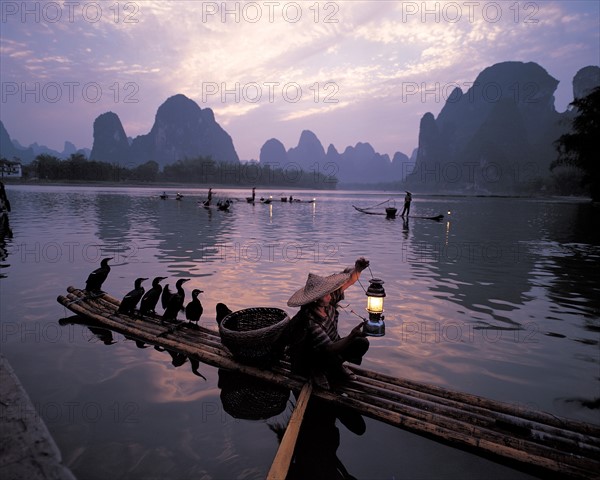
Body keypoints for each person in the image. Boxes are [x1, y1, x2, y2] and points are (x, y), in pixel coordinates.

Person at [287, 257, 370, 390]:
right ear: (315, 300)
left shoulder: (327, 301)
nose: (329, 294)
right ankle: (318, 370)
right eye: (325, 293)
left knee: (362, 342)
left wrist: (358, 268)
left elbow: (349, 281)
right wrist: (350, 336)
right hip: (314, 357)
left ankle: (336, 365)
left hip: (332, 348)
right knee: (345, 344)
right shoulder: (310, 321)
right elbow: (329, 349)